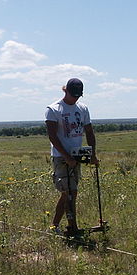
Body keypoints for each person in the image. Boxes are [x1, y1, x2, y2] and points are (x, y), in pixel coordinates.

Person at [45, 78, 99, 236]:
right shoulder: (54, 109)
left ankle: (55, 225)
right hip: (61, 157)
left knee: (70, 192)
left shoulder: (82, 108)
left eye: (78, 96)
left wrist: (93, 154)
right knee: (69, 192)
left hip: (77, 155)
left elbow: (89, 132)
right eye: (72, 95)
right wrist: (66, 156)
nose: (75, 98)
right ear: (65, 90)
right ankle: (73, 228)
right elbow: (52, 137)